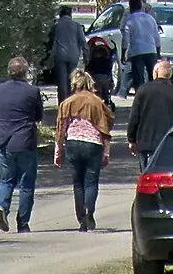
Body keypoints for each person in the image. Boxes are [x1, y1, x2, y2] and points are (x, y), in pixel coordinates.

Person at [54, 68, 112, 232]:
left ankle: (81, 219)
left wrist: (58, 151)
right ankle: (89, 211)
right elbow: (105, 128)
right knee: (91, 181)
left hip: (73, 143)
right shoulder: (97, 103)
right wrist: (106, 152)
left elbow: (61, 129)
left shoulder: (67, 103)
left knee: (78, 183)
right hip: (93, 144)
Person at [0, 55, 44, 233]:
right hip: (25, 141)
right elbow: (38, 116)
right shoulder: (32, 91)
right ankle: (23, 222)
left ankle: (1, 206)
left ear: (9, 71)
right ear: (26, 72)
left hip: (3, 141)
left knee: (6, 180)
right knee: (26, 184)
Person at [126, 58, 173, 169]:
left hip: (146, 143)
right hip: (169, 143)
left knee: (147, 176)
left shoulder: (143, 90)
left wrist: (131, 139)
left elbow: (134, 117)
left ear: (156, 73)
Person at [121, 0, 162, 94]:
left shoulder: (129, 20)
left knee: (139, 78)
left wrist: (123, 53)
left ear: (130, 8)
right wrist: (158, 52)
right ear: (141, 6)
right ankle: (153, 97)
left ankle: (140, 98)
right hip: (151, 51)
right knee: (153, 76)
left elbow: (125, 39)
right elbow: (157, 37)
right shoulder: (150, 19)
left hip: (137, 52)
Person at [48, 5, 85, 102]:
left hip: (60, 55)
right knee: (72, 81)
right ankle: (72, 102)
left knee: (62, 83)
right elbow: (83, 42)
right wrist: (87, 56)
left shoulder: (56, 25)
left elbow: (51, 41)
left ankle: (63, 104)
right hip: (73, 55)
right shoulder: (76, 25)